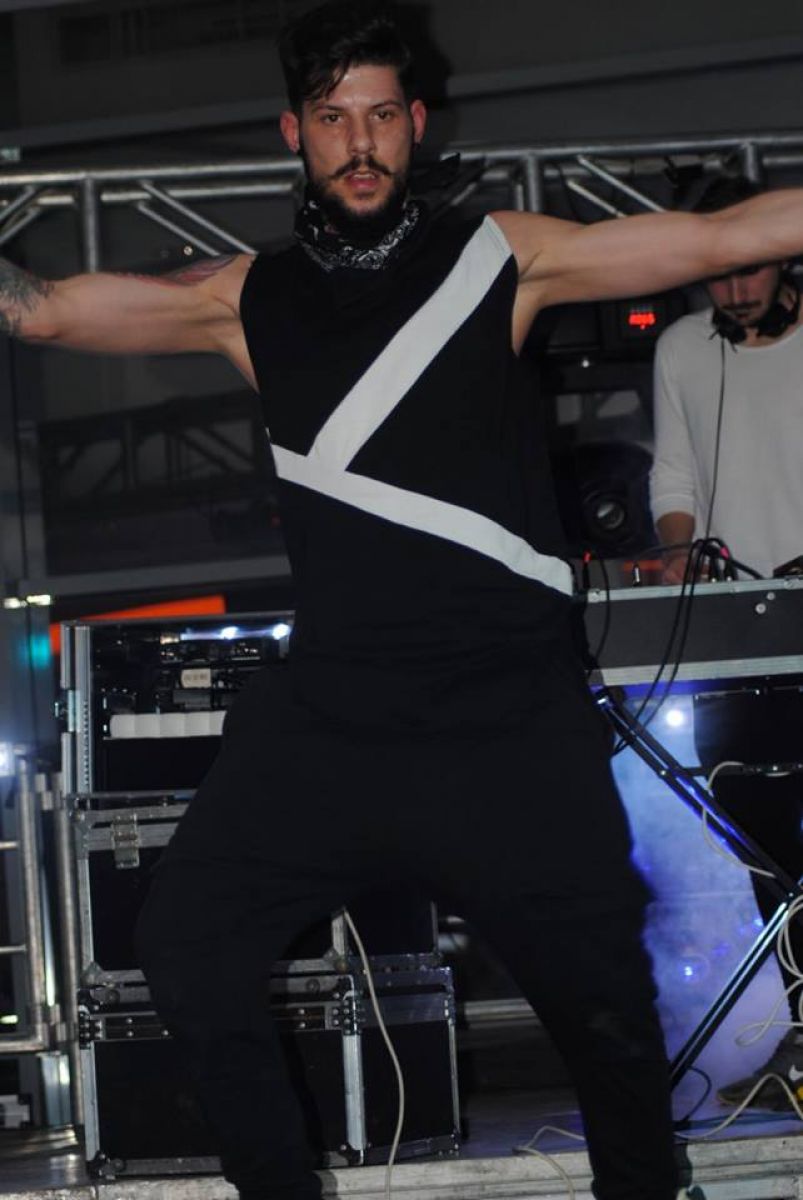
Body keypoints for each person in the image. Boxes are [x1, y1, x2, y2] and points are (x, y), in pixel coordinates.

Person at [5, 6, 803, 1197]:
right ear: (296, 133)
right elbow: (43, 309)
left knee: (605, 1015)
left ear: (415, 123)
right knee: (184, 942)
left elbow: (720, 236)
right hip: (336, 717)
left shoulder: (499, 256)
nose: (360, 141)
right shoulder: (247, 298)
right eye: (334, 119)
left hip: (505, 717)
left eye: (381, 115)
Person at [650, 174, 803, 1112]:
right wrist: (678, 553)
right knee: (761, 843)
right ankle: (802, 1021)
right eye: (717, 275)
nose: (734, 291)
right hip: (732, 633)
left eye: (748, 271)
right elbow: (673, 473)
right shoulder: (679, 350)